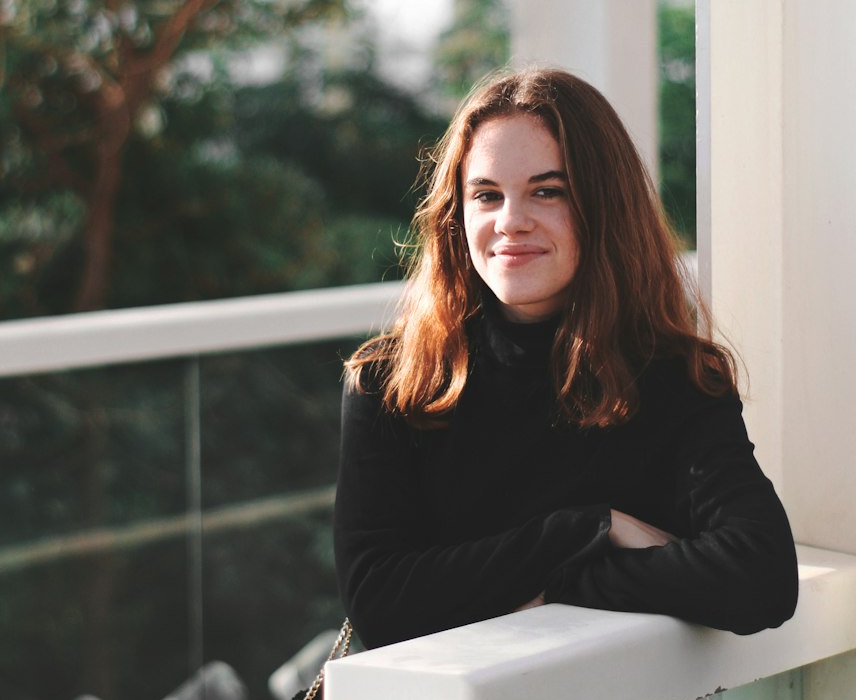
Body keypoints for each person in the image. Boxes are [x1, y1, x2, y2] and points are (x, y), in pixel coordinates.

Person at [334, 67, 798, 652]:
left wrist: (559, 582)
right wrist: (590, 528)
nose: (510, 221)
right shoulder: (392, 382)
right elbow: (381, 605)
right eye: (486, 195)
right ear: (458, 214)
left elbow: (760, 579)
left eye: (547, 191)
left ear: (604, 207)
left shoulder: (673, 380)